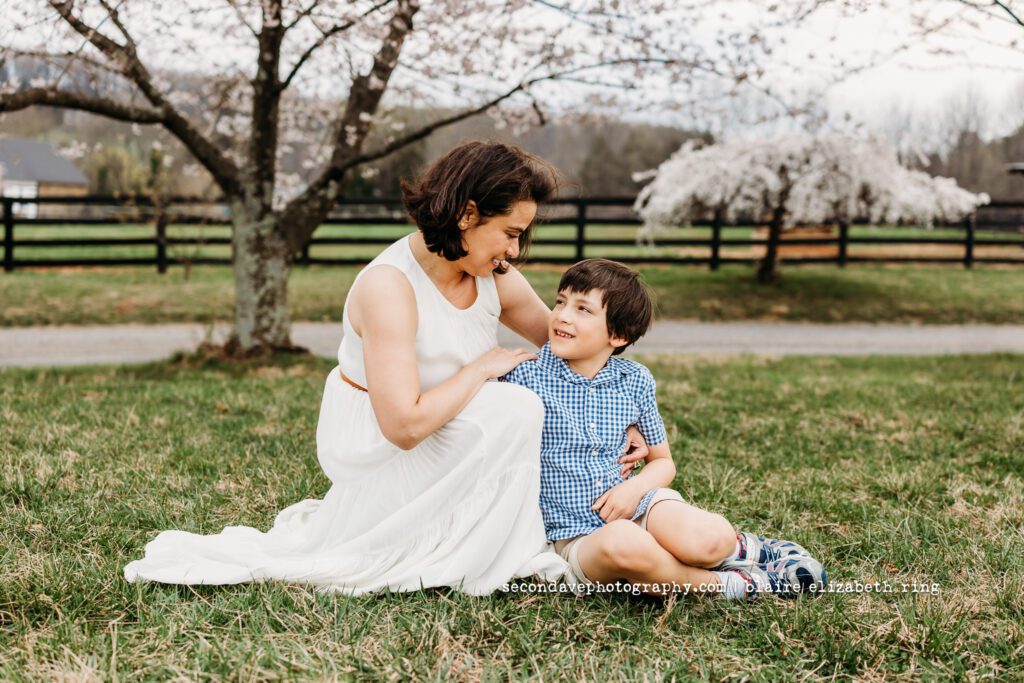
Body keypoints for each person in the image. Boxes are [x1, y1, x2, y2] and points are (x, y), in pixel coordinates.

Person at [123, 141, 650, 595]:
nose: (515, 249)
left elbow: (574, 350)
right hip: (385, 444)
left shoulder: (492, 272)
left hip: (455, 425)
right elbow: (402, 426)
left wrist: (624, 415)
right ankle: (475, 548)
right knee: (515, 405)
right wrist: (481, 369)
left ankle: (501, 534)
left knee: (516, 404)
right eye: (509, 232)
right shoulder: (389, 287)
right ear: (467, 215)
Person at [500, 259, 828, 599]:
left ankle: (743, 551)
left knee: (710, 539)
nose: (561, 315)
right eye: (560, 301)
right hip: (574, 538)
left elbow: (663, 462)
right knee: (626, 546)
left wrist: (634, 488)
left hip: (639, 508)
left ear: (618, 335)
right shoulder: (526, 374)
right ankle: (738, 585)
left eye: (583, 309)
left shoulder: (634, 381)